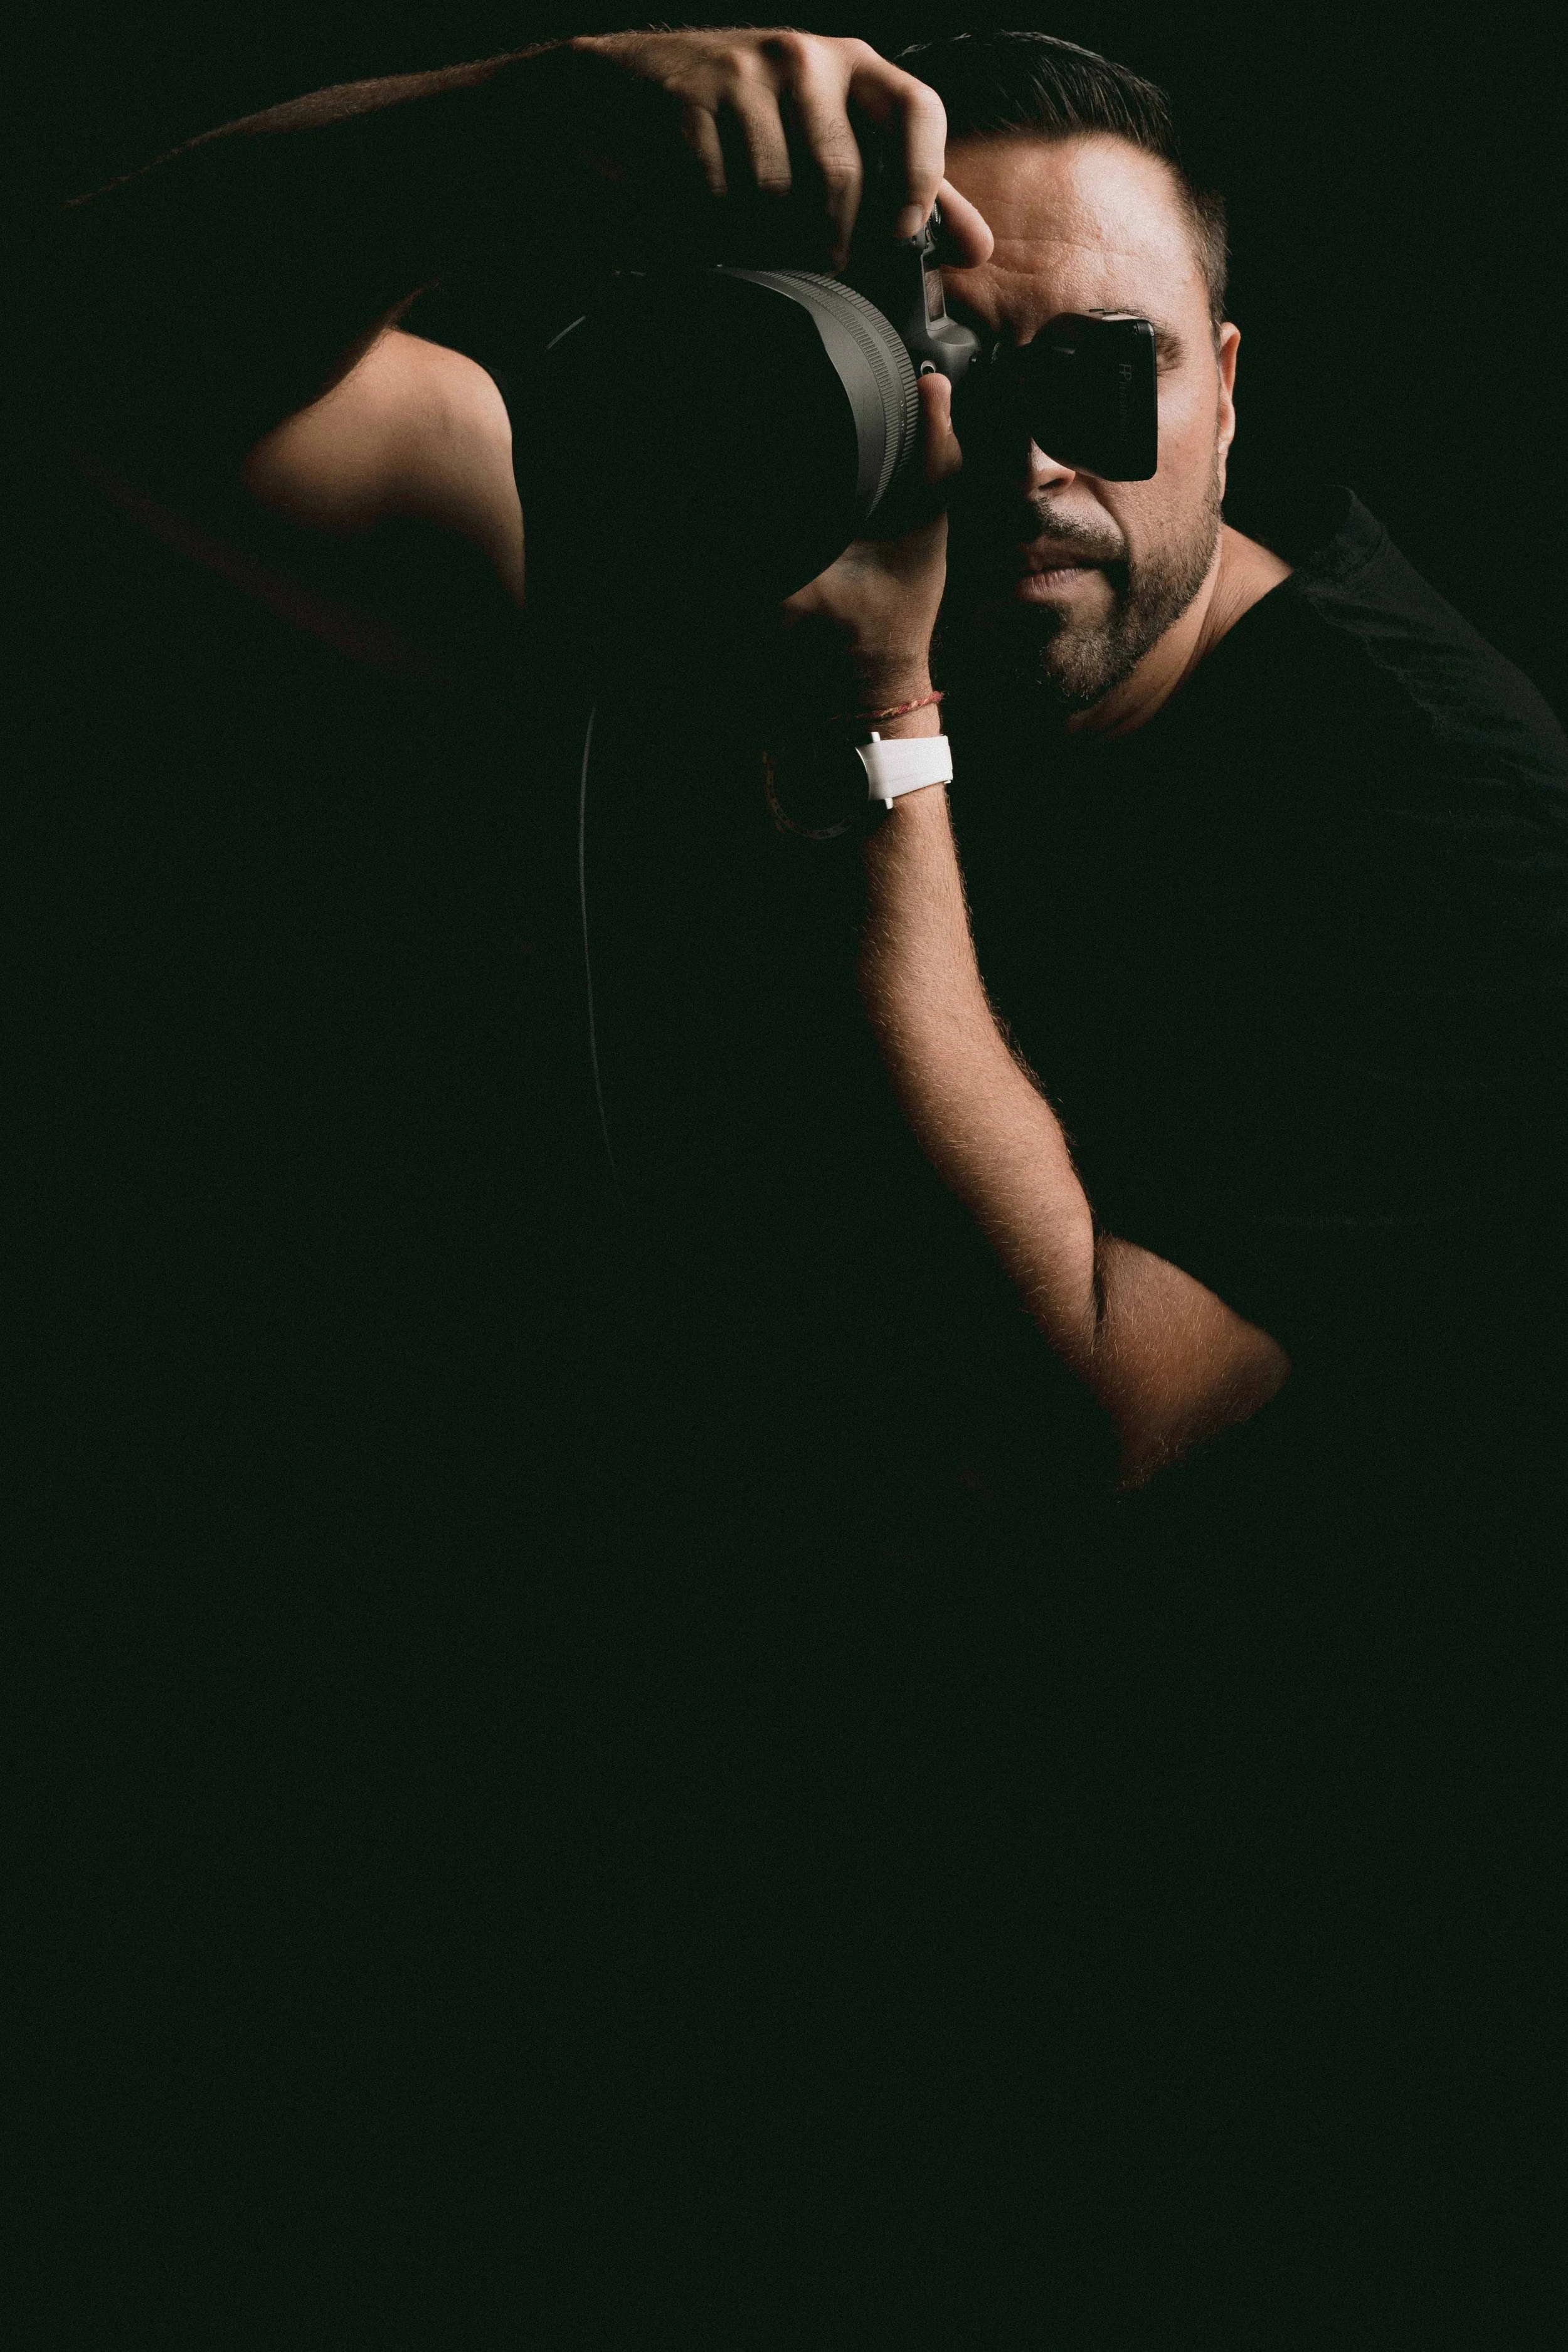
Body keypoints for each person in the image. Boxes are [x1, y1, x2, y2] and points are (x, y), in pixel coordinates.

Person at [18, 24, 1568, 2340]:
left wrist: (869, 722)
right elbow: (104, 350)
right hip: (618, 1901)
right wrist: (515, 117)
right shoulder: (732, 545)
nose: (1017, 463)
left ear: (1228, 387)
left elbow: (1059, 1423)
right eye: (943, 367)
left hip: (1185, 2023)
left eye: (1105, 376)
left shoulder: (1435, 817)